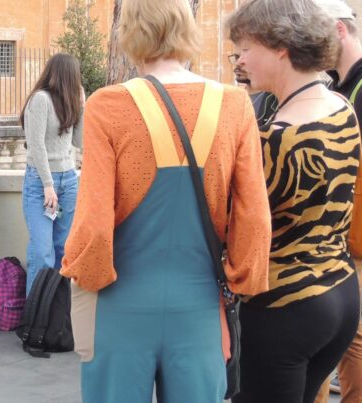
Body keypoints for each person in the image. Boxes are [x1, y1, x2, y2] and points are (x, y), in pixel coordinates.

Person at [59, 0, 273, 401]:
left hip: (119, 303)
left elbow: (92, 221)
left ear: (130, 34)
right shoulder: (234, 104)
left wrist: (86, 275)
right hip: (199, 307)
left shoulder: (108, 104)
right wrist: (242, 276)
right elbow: (254, 215)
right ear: (187, 30)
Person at [227, 0, 361, 401]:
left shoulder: (279, 136)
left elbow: (238, 227)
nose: (241, 62)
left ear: (280, 46)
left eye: (246, 49)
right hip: (340, 291)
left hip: (286, 304)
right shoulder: (341, 107)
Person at [312, 0, 362, 401]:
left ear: (340, 31)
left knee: (354, 340)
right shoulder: (337, 87)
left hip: (354, 237)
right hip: (338, 234)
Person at [20, 53, 83, 294]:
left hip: (68, 179)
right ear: (65, 76)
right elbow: (36, 145)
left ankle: (55, 314)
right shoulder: (41, 100)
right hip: (41, 182)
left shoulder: (70, 103)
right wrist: (48, 184)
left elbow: (78, 141)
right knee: (42, 251)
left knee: (63, 250)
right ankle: (35, 319)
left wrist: (82, 107)